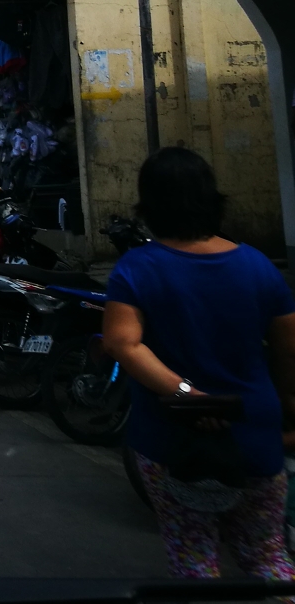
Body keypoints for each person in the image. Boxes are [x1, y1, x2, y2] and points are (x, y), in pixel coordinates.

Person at [102, 147, 295, 581]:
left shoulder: (138, 268)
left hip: (173, 436)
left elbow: (123, 343)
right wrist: (287, 404)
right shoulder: (258, 266)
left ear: (149, 204)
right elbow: (289, 350)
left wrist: (190, 397)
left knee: (194, 559)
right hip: (255, 433)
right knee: (267, 554)